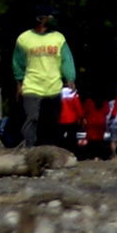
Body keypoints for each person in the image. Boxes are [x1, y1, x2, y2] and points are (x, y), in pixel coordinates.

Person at [12, 12, 73, 149]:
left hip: (54, 86)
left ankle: (53, 148)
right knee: (32, 118)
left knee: (54, 120)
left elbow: (66, 59)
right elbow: (18, 62)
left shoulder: (58, 38)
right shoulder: (24, 39)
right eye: (50, 17)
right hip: (32, 85)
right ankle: (29, 147)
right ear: (41, 19)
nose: (53, 20)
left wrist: (70, 77)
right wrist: (18, 83)